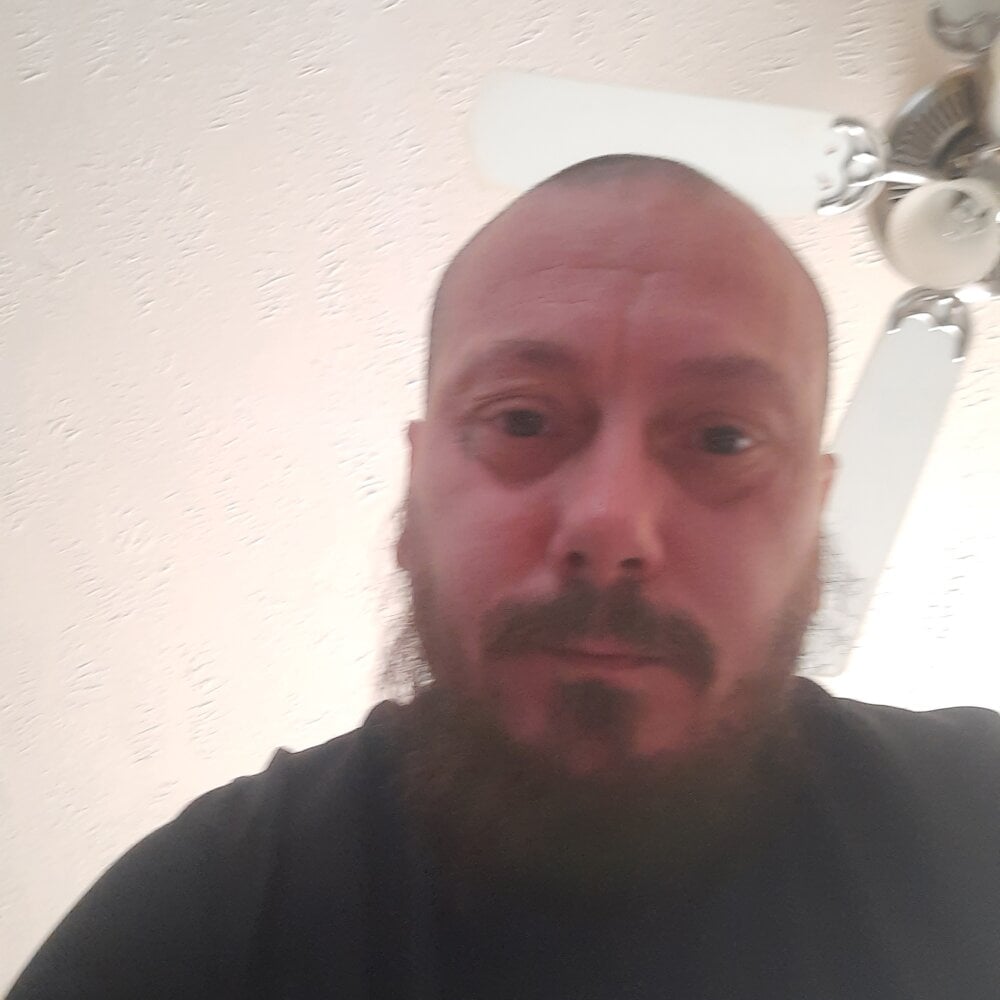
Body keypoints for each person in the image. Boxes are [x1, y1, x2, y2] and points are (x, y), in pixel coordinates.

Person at [7, 155, 1000, 1000]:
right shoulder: (206, 915)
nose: (610, 524)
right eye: (522, 419)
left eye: (723, 438)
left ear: (813, 528)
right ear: (414, 500)